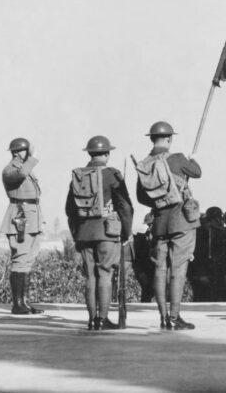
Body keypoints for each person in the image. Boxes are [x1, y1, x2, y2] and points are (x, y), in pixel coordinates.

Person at [136, 121, 201, 330]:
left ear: (151, 138)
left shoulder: (144, 164)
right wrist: (193, 160)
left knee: (159, 269)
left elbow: (141, 197)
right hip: (181, 220)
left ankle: (163, 318)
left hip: (159, 223)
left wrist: (159, 202)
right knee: (179, 269)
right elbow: (197, 172)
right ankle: (174, 317)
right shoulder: (177, 158)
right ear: (170, 139)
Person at [65, 136, 133, 330]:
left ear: (89, 153)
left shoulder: (78, 176)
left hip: (84, 232)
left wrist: (76, 234)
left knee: (90, 277)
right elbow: (125, 208)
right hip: (108, 232)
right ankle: (103, 319)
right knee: (105, 273)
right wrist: (126, 233)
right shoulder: (112, 174)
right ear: (107, 154)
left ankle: (92, 319)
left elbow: (70, 210)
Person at [0, 137, 45, 315]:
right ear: (17, 152)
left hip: (30, 217)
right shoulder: (11, 169)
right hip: (20, 217)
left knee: (27, 260)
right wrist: (33, 159)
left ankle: (24, 303)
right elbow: (18, 177)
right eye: (26, 151)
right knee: (20, 259)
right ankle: (17, 304)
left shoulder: (25, 169)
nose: (29, 153)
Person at [132, 212, 156, 302]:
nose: (150, 227)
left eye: (152, 224)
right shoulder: (140, 238)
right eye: (148, 225)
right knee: (146, 290)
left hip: (156, 270)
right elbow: (137, 258)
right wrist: (140, 272)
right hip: (144, 271)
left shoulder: (161, 239)